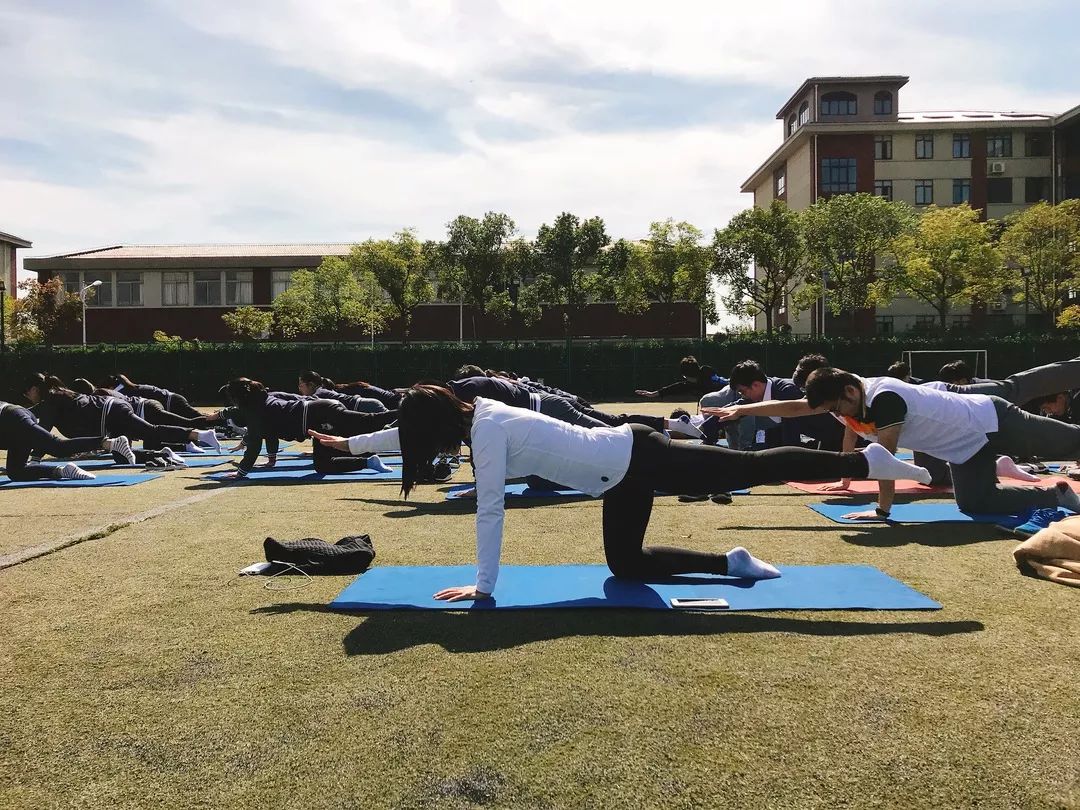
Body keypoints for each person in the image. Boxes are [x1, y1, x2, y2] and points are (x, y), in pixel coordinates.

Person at [310, 384, 931, 600]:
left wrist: (486, 585)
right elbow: (403, 433)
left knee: (752, 470)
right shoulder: (475, 414)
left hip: (638, 455)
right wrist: (347, 447)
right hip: (618, 473)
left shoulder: (490, 432)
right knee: (626, 566)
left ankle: (871, 458)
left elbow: (490, 511)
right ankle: (730, 561)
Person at [706, 367, 1080, 520]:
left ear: (851, 390)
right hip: (963, 448)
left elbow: (882, 458)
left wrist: (882, 512)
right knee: (975, 504)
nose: (839, 415)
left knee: (1068, 444)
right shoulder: (842, 397)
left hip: (991, 421)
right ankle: (1055, 495)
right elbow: (793, 406)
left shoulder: (884, 398)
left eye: (840, 407)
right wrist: (743, 410)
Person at [214, 378, 398, 479]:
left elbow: (254, 443)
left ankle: (404, 412)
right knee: (364, 425)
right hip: (321, 410)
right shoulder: (266, 397)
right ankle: (369, 459)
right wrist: (271, 460)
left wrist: (241, 472)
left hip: (321, 414)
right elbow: (267, 433)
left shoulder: (255, 412)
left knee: (367, 422)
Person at [24, 374, 221, 454]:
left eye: (27, 393)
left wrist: (34, 458)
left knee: (152, 433)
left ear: (34, 389)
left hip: (117, 412)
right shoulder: (58, 397)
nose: (27, 397)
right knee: (125, 452)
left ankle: (203, 433)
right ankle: (168, 453)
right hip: (114, 415)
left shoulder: (54, 399)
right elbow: (35, 415)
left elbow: (43, 433)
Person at [1, 400, 135, 481]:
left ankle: (110, 443)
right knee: (16, 472)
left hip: (12, 419)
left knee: (58, 447)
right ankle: (63, 471)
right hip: (11, 423)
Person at [726, 360, 846, 451]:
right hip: (825, 437)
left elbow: (790, 438)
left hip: (840, 435)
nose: (743, 396)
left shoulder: (787, 392)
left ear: (756, 385)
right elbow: (742, 406)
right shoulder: (767, 391)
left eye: (743, 392)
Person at [100, 374, 204, 420]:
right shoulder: (129, 386)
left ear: (110, 387)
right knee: (195, 418)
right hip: (174, 399)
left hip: (171, 402)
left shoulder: (121, 392)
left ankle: (217, 426)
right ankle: (215, 424)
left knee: (195, 420)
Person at [635, 356, 728, 399]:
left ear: (686, 375)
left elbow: (722, 382)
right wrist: (652, 394)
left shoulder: (707, 373)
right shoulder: (690, 384)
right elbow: (673, 388)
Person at [297, 371, 387, 414]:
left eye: (301, 385)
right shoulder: (322, 391)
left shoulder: (319, 394)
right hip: (367, 404)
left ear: (311, 385)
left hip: (366, 406)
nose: (299, 389)